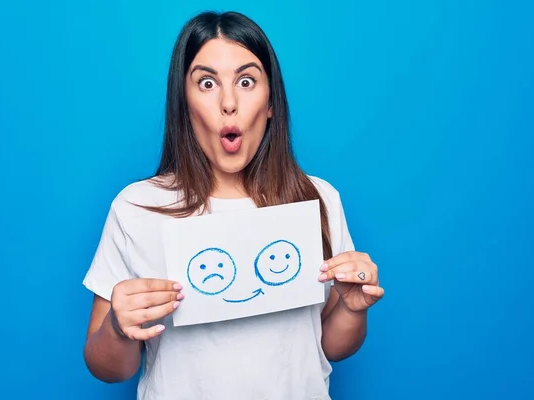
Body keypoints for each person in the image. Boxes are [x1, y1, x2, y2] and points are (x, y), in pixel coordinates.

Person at [82, 10, 384, 400]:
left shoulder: (318, 198)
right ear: (183, 105)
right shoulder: (137, 207)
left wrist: (353, 309)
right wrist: (117, 329)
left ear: (271, 101)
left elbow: (328, 346)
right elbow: (109, 367)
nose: (229, 102)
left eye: (246, 81)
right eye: (207, 83)